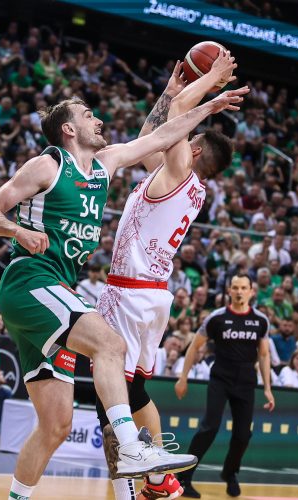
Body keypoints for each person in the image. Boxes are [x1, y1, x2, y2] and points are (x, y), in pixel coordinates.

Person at [0, 91, 244, 500]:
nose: (97, 119)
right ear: (69, 129)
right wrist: (18, 231)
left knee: (56, 425)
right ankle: (134, 450)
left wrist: (200, 103)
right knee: (109, 345)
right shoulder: (47, 164)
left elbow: (161, 136)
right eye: (88, 115)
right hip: (29, 280)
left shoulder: (105, 164)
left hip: (56, 290)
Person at [95, 54, 245, 500]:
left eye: (187, 138)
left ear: (193, 149)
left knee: (112, 399)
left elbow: (176, 122)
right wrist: (168, 92)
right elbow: (150, 137)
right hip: (152, 295)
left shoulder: (180, 171)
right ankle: (159, 480)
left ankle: (154, 478)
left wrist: (211, 86)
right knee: (131, 394)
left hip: (130, 294)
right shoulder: (178, 180)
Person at [174, 274, 274, 498]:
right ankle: (185, 478)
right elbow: (194, 347)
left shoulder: (261, 321)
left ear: (251, 291)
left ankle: (230, 473)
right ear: (229, 291)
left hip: (247, 381)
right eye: (235, 288)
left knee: (242, 435)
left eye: (244, 288)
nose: (239, 292)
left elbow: (265, 355)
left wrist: (267, 388)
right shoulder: (216, 318)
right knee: (209, 427)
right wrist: (183, 377)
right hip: (221, 378)